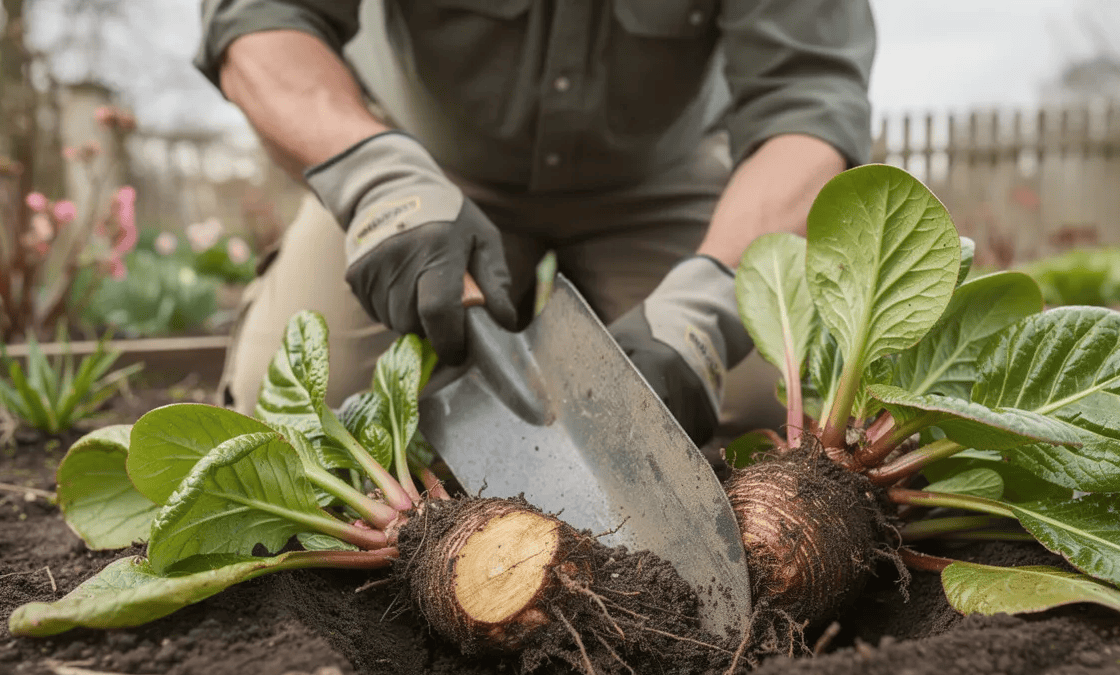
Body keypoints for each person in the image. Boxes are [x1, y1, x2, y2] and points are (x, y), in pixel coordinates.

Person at [196, 0, 876, 447]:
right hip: (427, 167)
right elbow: (262, 22)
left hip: (658, 181)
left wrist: (705, 309)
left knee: (763, 403)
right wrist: (378, 179)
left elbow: (809, 103)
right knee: (305, 407)